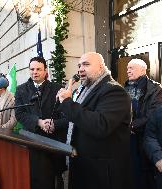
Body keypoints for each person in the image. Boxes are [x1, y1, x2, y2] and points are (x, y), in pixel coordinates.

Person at [56, 52, 132, 189]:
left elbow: (100, 125)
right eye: (79, 65)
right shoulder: (86, 89)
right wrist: (54, 123)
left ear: (101, 67)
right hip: (83, 167)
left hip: (101, 174)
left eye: (86, 64)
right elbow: (77, 120)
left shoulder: (114, 91)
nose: (80, 69)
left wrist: (67, 102)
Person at [15, 57, 68, 189]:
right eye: (32, 69)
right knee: (34, 180)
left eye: (38, 69)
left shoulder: (58, 88)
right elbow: (19, 114)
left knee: (55, 181)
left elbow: (67, 115)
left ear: (45, 71)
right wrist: (39, 122)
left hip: (53, 142)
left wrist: (54, 124)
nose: (35, 72)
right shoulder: (21, 90)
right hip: (31, 143)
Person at [124, 58, 162, 189]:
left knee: (146, 174)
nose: (128, 71)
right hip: (127, 137)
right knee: (130, 171)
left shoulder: (155, 89)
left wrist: (131, 126)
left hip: (146, 137)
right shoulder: (123, 87)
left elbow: (154, 114)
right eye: (127, 68)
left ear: (143, 70)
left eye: (132, 68)